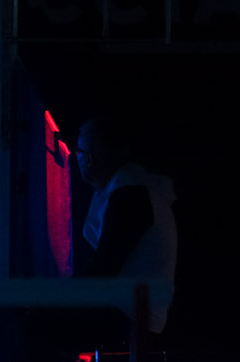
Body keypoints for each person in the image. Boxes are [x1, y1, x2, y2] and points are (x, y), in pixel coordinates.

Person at [76, 120, 179, 345]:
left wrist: (52, 296)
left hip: (132, 318)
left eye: (79, 152)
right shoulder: (131, 191)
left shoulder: (130, 197)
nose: (76, 158)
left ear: (90, 159)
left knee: (30, 328)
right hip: (132, 313)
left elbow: (104, 267)